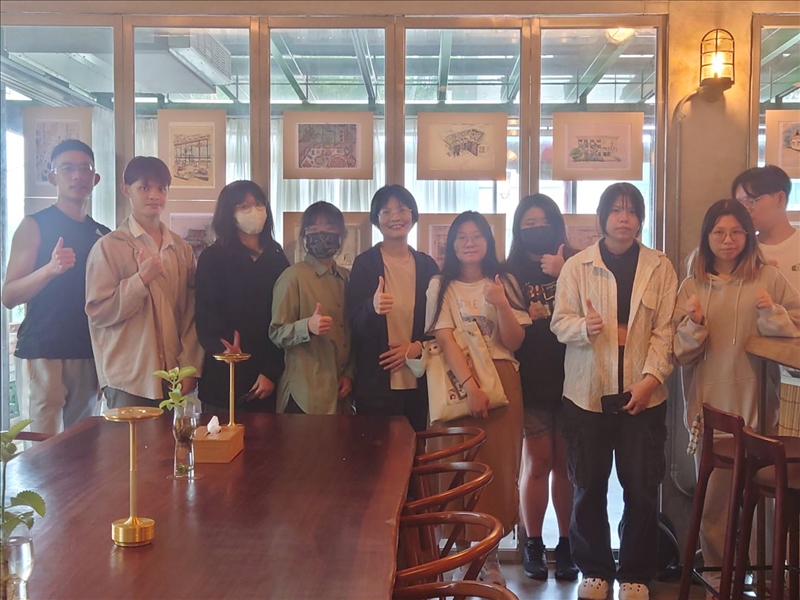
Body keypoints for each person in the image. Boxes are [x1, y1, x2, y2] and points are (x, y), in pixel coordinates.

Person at [551, 182, 677, 600]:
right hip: (586, 394)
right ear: (602, 217)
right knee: (588, 484)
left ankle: (636, 572)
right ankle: (595, 569)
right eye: (616, 210)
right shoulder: (578, 266)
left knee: (641, 486)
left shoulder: (659, 267)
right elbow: (559, 322)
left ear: (640, 218)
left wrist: (650, 380)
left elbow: (666, 331)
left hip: (644, 395)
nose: (624, 218)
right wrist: (583, 327)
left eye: (632, 211)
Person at [672, 199, 800, 592]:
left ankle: (766, 580)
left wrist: (772, 312)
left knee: (765, 501)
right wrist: (694, 324)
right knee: (715, 502)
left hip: (760, 407)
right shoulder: (692, 284)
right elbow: (679, 352)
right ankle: (718, 578)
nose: (728, 240)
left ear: (748, 235)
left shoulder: (768, 278)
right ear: (707, 236)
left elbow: (794, 331)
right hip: (709, 413)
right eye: (719, 232)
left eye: (736, 232)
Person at [425, 211, 531, 586]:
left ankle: (489, 560)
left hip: (502, 380)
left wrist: (501, 303)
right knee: (455, 471)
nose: (470, 243)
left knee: (498, 472)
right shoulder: (440, 284)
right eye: (462, 237)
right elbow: (444, 338)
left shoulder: (505, 282)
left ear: (489, 241)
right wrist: (471, 386)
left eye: (477, 236)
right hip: (456, 383)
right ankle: (460, 557)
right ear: (452, 245)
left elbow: (514, 341)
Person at [2, 139, 110, 435]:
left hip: (87, 354)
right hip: (43, 350)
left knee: (84, 448)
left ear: (95, 178)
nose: (77, 175)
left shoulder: (103, 235)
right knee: (41, 450)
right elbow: (9, 296)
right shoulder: (34, 225)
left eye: (85, 169)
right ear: (52, 176)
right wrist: (50, 270)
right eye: (67, 168)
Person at [85, 156, 202, 407]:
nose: (154, 196)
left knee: (176, 434)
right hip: (129, 377)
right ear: (126, 190)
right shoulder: (108, 247)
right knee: (128, 435)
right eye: (144, 187)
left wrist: (190, 366)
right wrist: (140, 280)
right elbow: (99, 313)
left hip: (174, 374)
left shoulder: (181, 248)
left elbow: (192, 312)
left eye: (161, 189)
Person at [506, 194, 578, 582]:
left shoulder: (576, 263)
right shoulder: (509, 272)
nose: (536, 229)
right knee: (536, 465)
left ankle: (566, 544)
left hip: (574, 380)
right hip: (530, 381)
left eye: (543, 222)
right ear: (518, 231)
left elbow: (595, 307)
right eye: (528, 224)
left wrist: (565, 271)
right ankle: (532, 542)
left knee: (566, 466)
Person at [346, 185, 439, 432]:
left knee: (417, 449)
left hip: (420, 380)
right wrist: (372, 307)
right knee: (377, 451)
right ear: (376, 219)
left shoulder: (427, 266)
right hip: (376, 383)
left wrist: (417, 347)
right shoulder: (365, 264)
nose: (395, 217)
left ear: (413, 214)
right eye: (386, 212)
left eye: (401, 209)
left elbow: (440, 322)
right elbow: (353, 327)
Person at [195, 180, 289, 414]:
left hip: (267, 379)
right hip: (223, 375)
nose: (254, 211)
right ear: (229, 213)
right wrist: (222, 350)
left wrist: (271, 371)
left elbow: (285, 316)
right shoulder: (212, 258)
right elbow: (205, 316)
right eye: (244, 206)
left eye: (259, 204)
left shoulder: (277, 256)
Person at [270, 201, 354, 415]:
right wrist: (306, 327)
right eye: (314, 228)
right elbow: (276, 332)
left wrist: (349, 374)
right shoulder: (292, 277)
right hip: (304, 395)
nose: (322, 233)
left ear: (341, 235)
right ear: (304, 236)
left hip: (339, 393)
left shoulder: (346, 278)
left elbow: (351, 332)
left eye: (329, 227)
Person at [732, 165, 799, 292]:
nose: (745, 210)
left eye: (751, 201)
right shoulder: (740, 249)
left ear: (780, 199)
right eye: (740, 204)